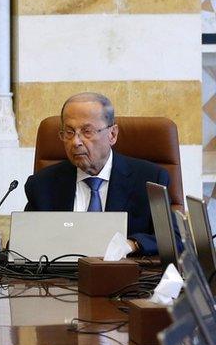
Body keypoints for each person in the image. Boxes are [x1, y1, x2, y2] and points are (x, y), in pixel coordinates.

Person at [24, 92, 170, 255]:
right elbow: (22, 242)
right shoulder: (42, 184)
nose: (76, 142)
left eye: (87, 131)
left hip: (125, 277)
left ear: (112, 134)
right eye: (69, 132)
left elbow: (174, 239)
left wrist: (133, 244)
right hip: (59, 278)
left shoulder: (150, 179)